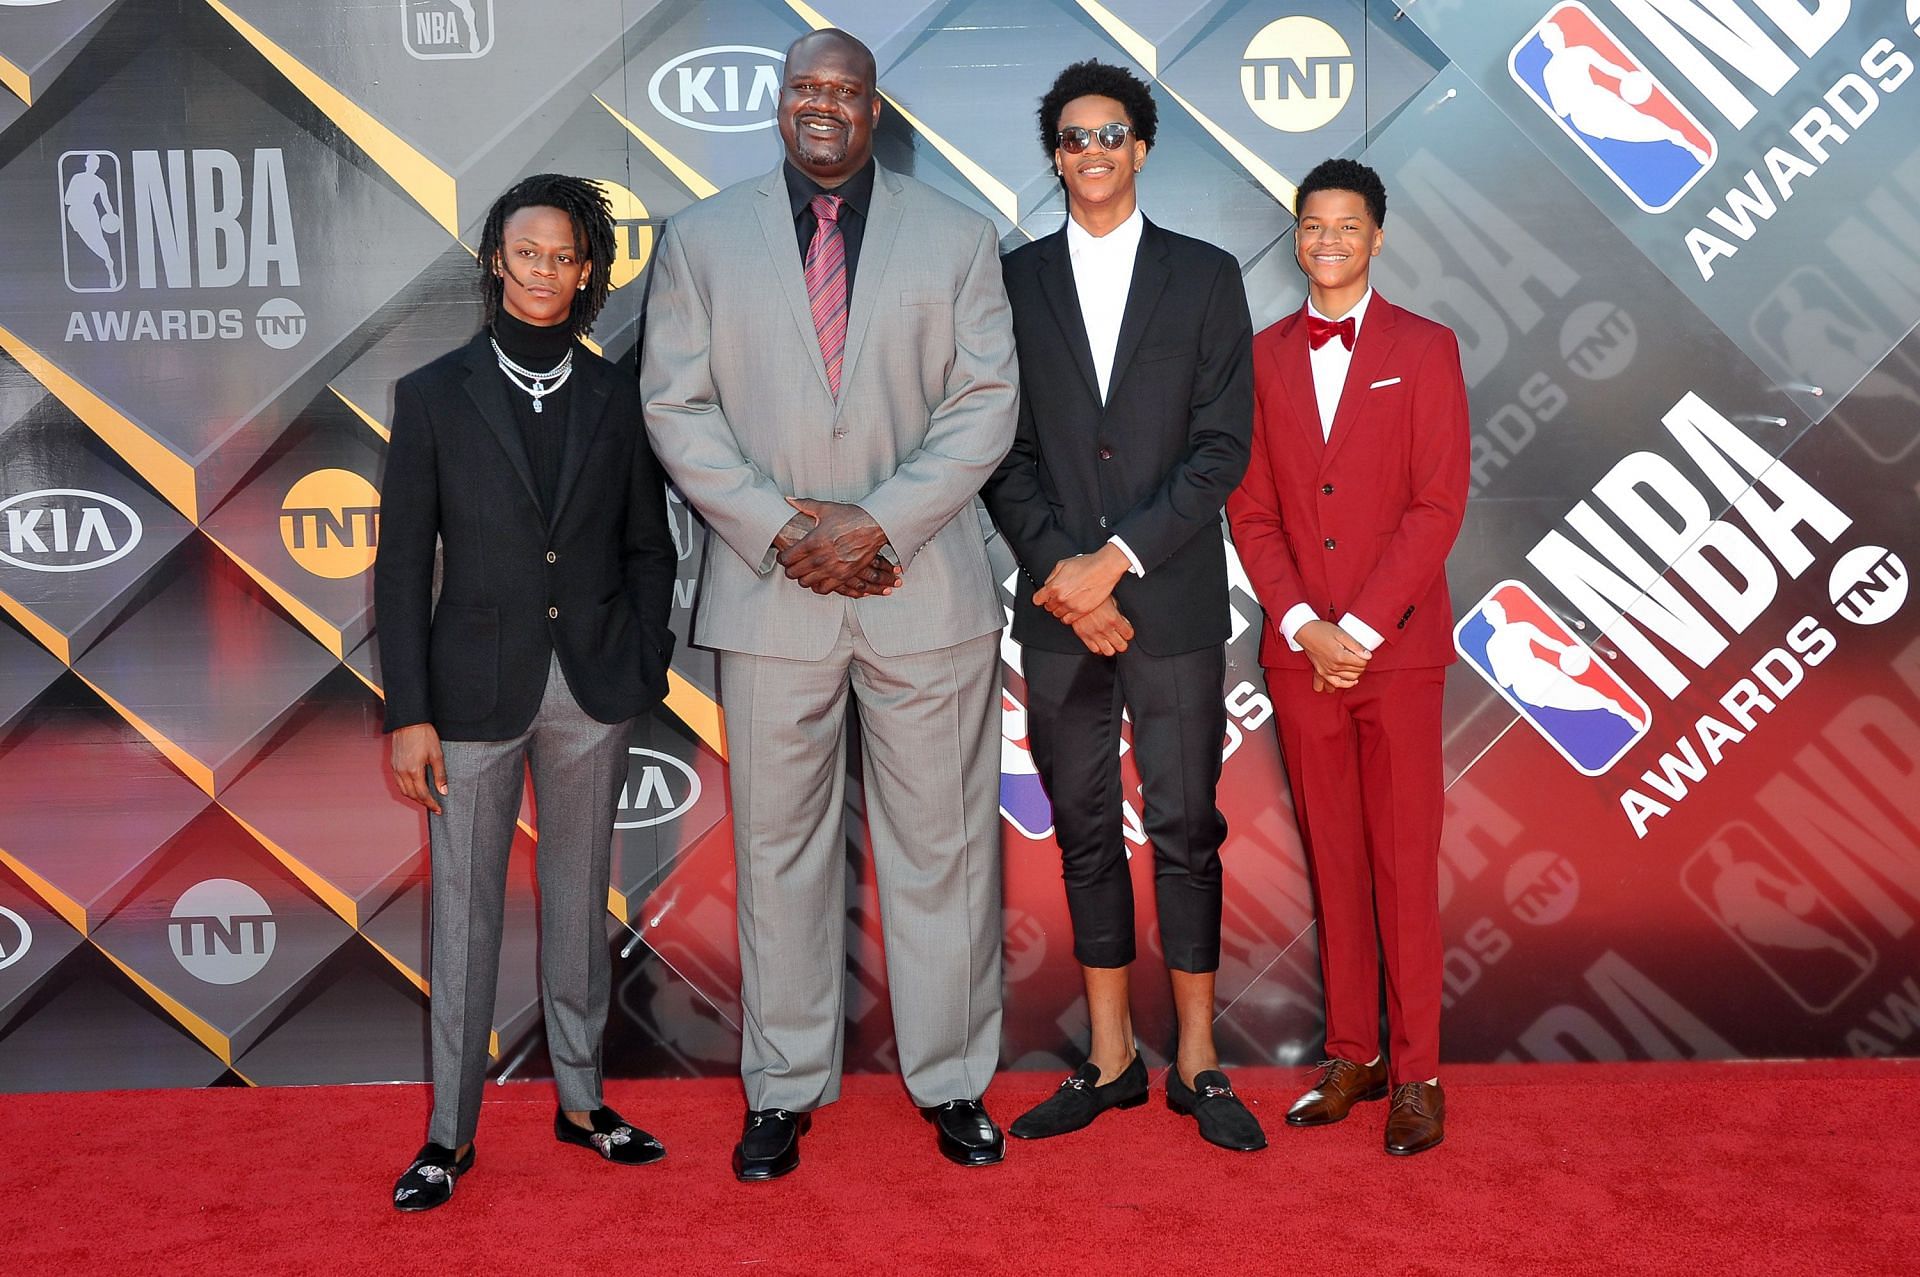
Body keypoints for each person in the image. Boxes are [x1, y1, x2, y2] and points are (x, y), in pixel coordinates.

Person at [639, 28, 1019, 1180]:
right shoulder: (701, 240)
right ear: (780, 103)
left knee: (943, 852)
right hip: (770, 593)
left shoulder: (958, 237)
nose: (823, 107)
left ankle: (953, 1078)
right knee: (776, 850)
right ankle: (783, 1086)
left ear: (873, 108)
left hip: (922, 586)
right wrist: (786, 530)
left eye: (844, 92)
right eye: (805, 88)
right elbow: (675, 406)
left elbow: (987, 400)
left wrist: (876, 524)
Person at [375, 174, 678, 1210]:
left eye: (564, 254)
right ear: (495, 260)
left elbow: (650, 545)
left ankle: (584, 1100)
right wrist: (408, 710)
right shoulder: (431, 396)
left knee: (576, 899)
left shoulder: (617, 398)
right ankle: (447, 1135)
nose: (544, 269)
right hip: (466, 697)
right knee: (462, 915)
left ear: (587, 269)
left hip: (592, 687)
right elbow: (402, 565)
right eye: (526, 251)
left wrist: (639, 662)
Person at [982, 60, 1261, 1152]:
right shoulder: (1013, 282)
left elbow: (1221, 446)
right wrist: (1068, 572)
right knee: (1086, 828)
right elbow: (999, 450)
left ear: (1141, 148)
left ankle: (1197, 1058)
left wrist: (1119, 560)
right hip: (1057, 607)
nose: (1091, 153)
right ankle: (1110, 1061)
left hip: (1175, 595)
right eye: (1071, 137)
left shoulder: (1205, 275)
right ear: (1053, 156)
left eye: (1111, 135)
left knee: (1187, 827)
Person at [1225, 158, 1469, 1156]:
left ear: (1378, 237)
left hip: (1398, 654)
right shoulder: (1262, 355)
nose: (1328, 238)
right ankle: (1354, 1052)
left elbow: (1437, 503)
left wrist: (1359, 630)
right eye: (1312, 222)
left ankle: (1418, 1072)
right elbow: (1254, 507)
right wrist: (1302, 626)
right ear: (1298, 236)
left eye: (1347, 224)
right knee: (1335, 861)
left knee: (1402, 864)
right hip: (1300, 655)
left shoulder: (1428, 346)